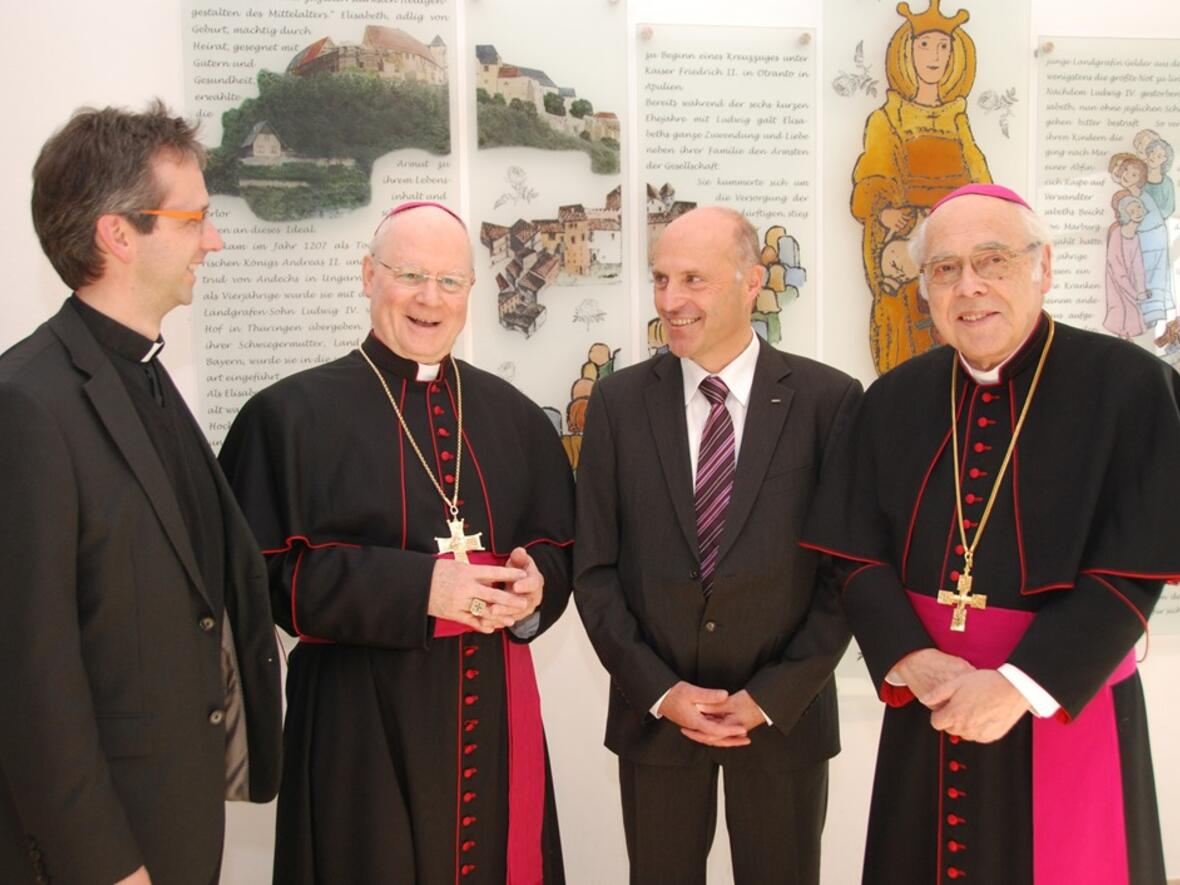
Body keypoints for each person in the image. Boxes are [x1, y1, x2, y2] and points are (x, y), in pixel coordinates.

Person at [802, 183, 1177, 884]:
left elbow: (1133, 565)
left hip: (1062, 698)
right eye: (945, 268)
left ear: (1043, 267)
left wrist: (1019, 684)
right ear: (924, 289)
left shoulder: (1130, 386)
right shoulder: (894, 398)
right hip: (934, 701)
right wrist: (911, 656)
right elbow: (853, 555)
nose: (968, 286)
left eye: (992, 260)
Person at [219, 201, 574, 884]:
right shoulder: (287, 417)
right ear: (367, 275)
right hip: (359, 729)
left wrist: (537, 587)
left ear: (472, 290)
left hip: (495, 719)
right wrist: (422, 588)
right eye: (409, 274)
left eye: (449, 281)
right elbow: (260, 576)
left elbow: (560, 546)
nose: (428, 299)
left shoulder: (515, 417)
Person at [0, 102, 282, 885]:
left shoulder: (148, 378)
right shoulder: (27, 403)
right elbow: (30, 680)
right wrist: (107, 864)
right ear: (119, 234)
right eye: (193, 218)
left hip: (178, 820)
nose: (213, 240)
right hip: (107, 850)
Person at [575, 206, 860, 884]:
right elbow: (594, 571)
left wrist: (770, 696)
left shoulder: (828, 401)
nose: (671, 300)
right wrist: (662, 689)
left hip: (783, 721)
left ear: (751, 281)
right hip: (657, 719)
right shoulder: (616, 405)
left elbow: (845, 575)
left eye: (694, 279)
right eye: (661, 278)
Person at [851, 0, 991, 375]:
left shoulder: (957, 118)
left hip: (953, 241)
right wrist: (885, 211)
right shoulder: (888, 117)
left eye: (943, 46)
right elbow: (872, 178)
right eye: (924, 45)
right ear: (906, 53)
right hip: (908, 237)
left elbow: (981, 181)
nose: (934, 56)